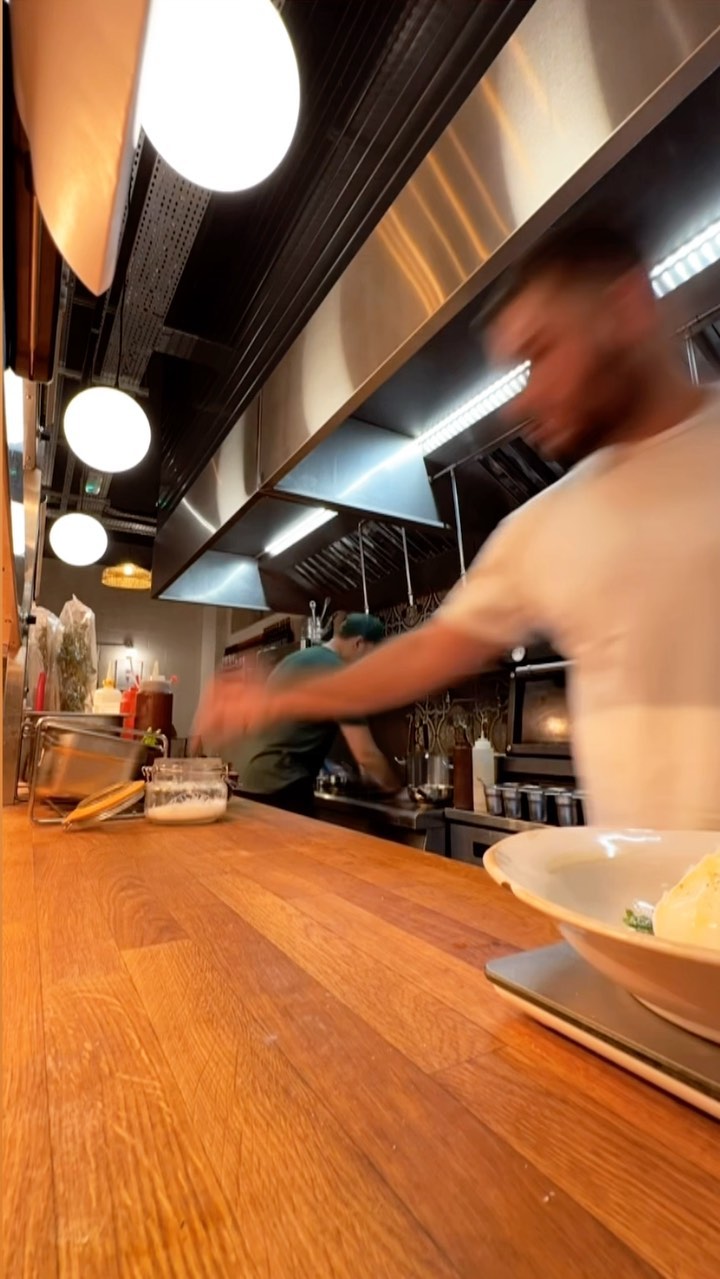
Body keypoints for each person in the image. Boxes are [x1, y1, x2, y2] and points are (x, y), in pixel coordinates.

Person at [196, 222, 720, 830]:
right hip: (628, 909)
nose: (524, 399)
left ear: (624, 308)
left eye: (542, 351)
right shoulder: (547, 527)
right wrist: (274, 699)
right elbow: (428, 653)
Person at [228, 612, 399, 815]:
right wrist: (395, 790)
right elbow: (367, 754)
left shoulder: (294, 660)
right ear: (359, 644)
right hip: (281, 789)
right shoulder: (339, 674)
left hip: (248, 784)